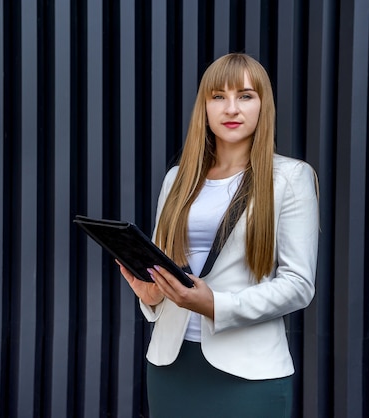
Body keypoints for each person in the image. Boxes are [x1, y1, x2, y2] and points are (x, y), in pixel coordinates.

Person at [117, 53, 319, 418]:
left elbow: (298, 284)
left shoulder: (290, 178)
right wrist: (152, 294)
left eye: (245, 95)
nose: (231, 108)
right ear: (204, 107)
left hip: (248, 373)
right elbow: (168, 264)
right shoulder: (177, 179)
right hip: (171, 365)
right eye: (218, 96)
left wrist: (215, 305)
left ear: (263, 106)